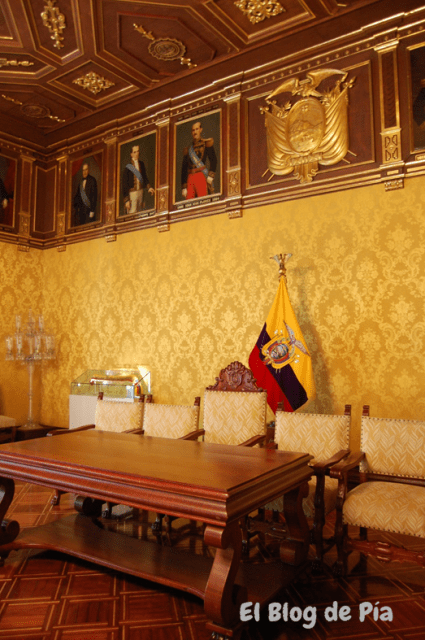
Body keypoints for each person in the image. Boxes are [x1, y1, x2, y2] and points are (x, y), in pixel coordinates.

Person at [181, 121, 217, 200]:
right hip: (190, 178)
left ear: (201, 130)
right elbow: (184, 169)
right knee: (189, 203)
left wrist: (211, 176)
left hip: (201, 175)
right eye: (193, 130)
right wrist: (184, 187)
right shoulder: (188, 149)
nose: (195, 132)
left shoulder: (206, 143)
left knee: (203, 200)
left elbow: (213, 160)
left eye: (197, 129)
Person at [122, 145, 154, 214]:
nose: (137, 153)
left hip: (141, 192)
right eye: (135, 152)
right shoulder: (128, 167)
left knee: (140, 212)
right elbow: (124, 184)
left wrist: (149, 187)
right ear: (131, 154)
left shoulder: (141, 164)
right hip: (132, 194)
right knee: (132, 212)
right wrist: (126, 200)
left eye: (138, 151)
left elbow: (144, 177)